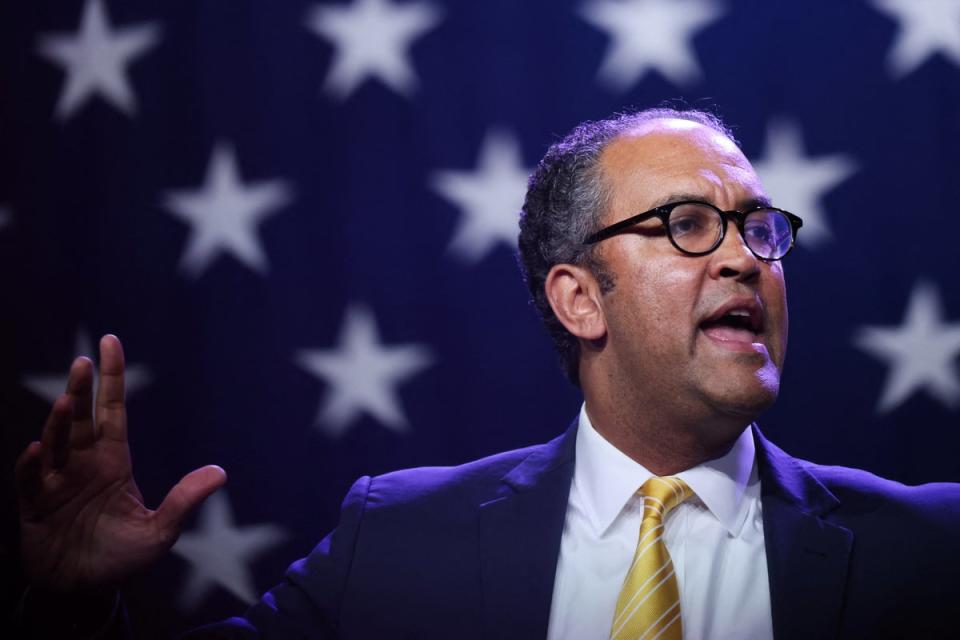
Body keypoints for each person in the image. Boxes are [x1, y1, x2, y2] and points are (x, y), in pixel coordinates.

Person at [14, 108, 960, 639]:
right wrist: (74, 609)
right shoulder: (396, 544)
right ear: (578, 299)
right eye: (687, 226)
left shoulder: (928, 554)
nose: (746, 259)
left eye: (760, 229)